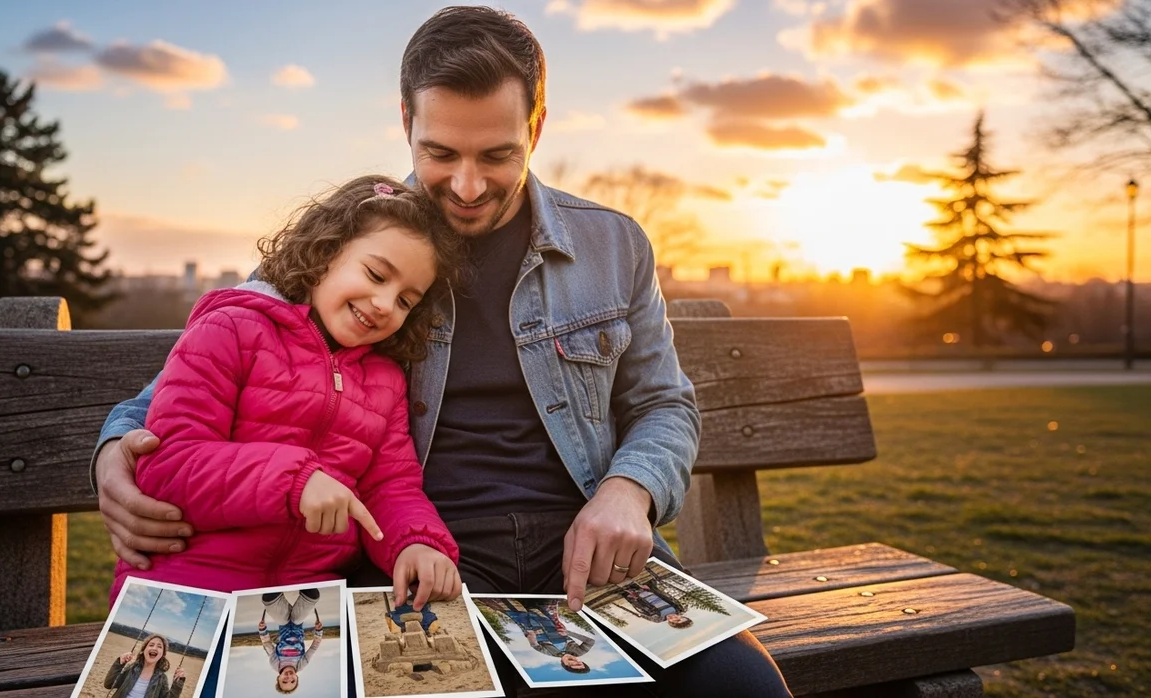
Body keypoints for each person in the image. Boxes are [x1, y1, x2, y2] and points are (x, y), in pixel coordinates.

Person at [92, 7, 791, 696]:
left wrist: (628, 490)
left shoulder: (613, 245)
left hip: (591, 549)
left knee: (746, 689)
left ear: (536, 128)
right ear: (406, 122)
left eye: (497, 155)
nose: (466, 185)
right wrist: (113, 452)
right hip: (422, 554)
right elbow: (207, 365)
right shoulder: (357, 242)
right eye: (440, 153)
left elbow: (664, 403)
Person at [107, 175, 464, 607]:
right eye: (375, 274)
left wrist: (416, 542)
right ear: (325, 251)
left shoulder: (385, 381)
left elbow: (390, 487)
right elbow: (170, 465)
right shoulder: (232, 329)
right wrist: (293, 481)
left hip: (303, 606)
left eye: (406, 300)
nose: (385, 304)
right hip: (184, 592)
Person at [482, 599, 595, 674]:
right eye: (579, 663)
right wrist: (568, 633)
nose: (574, 662)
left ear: (565, 665)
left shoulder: (550, 653)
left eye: (572, 665)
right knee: (539, 602)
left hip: (531, 626)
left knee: (508, 607)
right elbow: (590, 641)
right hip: (548, 620)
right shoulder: (580, 651)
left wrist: (532, 637)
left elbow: (535, 645)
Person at [259, 590, 323, 694]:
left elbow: (267, 644)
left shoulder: (275, 664)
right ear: (297, 678)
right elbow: (314, 647)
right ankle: (307, 596)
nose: (289, 677)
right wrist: (318, 631)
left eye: (284, 681)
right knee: (312, 596)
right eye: (293, 681)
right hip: (297, 623)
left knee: (268, 599)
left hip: (283, 624)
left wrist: (262, 630)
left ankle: (275, 599)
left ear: (278, 677)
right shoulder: (300, 665)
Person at [102, 634, 186, 698]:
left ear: (162, 654)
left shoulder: (162, 678)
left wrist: (177, 683)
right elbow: (109, 684)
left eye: (159, 646)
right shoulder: (132, 668)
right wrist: (119, 663)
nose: (155, 648)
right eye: (151, 645)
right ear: (144, 650)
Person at [617, 579, 693, 629]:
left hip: (638, 597)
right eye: (680, 617)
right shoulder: (677, 609)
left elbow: (642, 610)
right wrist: (652, 589)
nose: (675, 617)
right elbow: (668, 597)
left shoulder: (658, 619)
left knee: (621, 583)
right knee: (631, 581)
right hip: (649, 592)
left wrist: (633, 598)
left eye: (676, 621)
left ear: (671, 623)